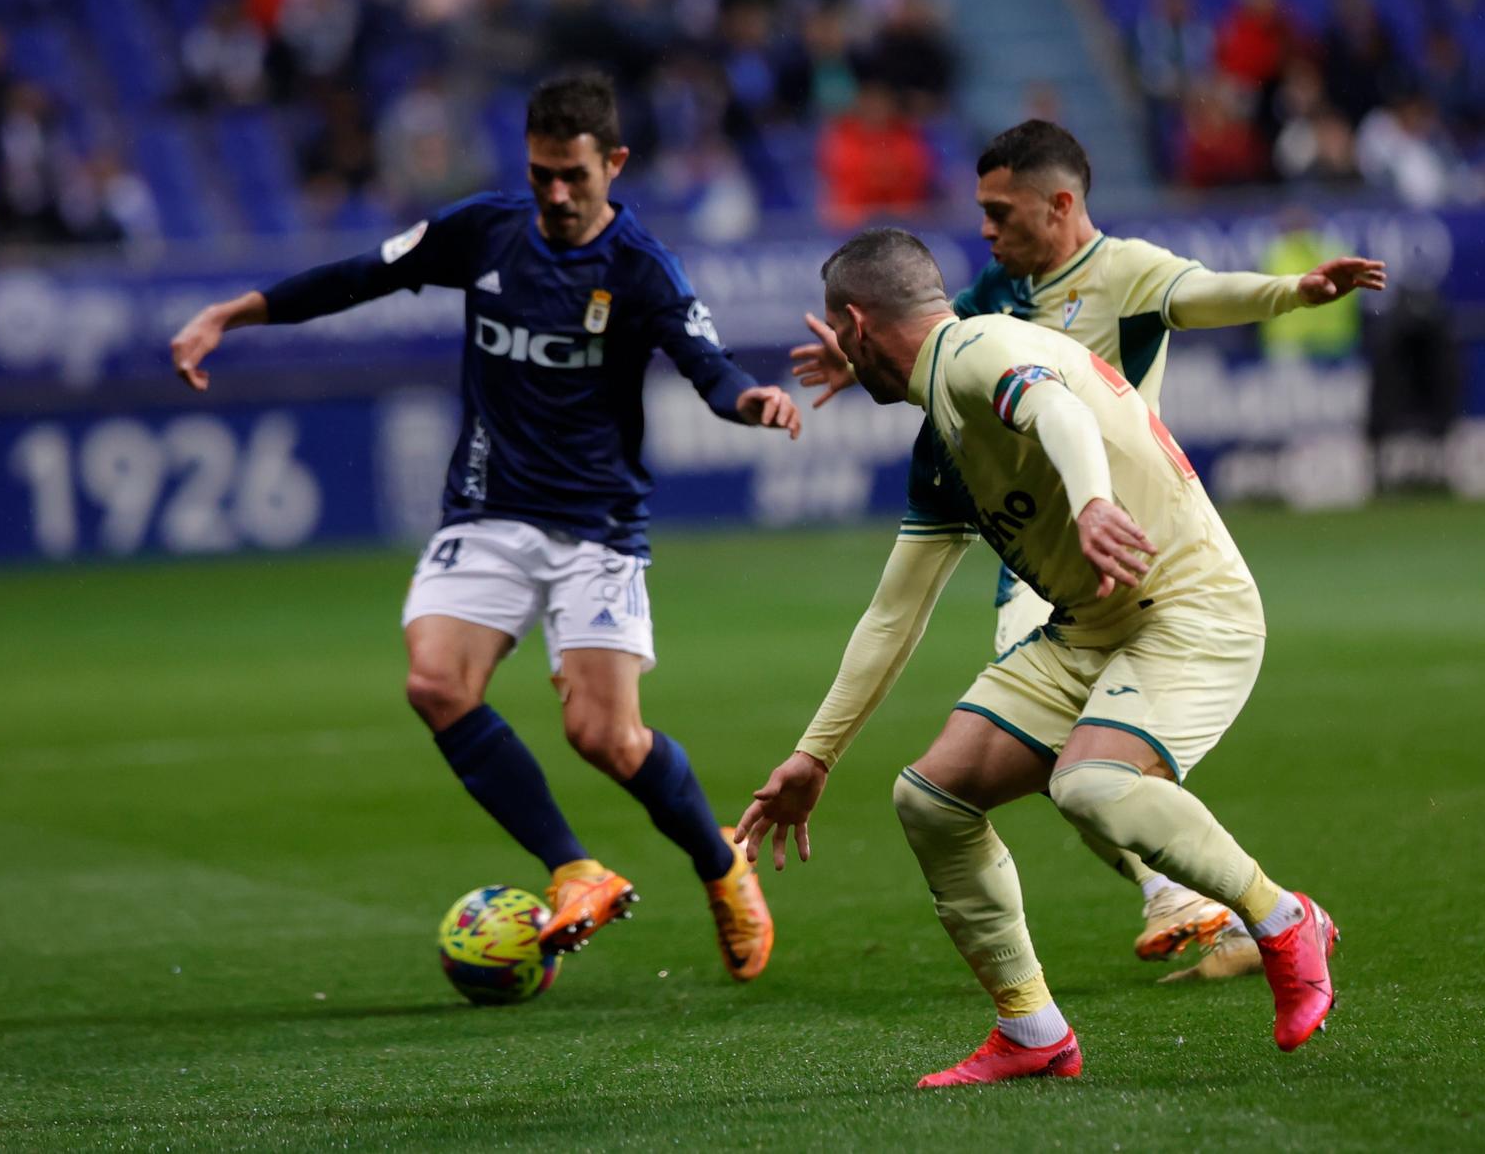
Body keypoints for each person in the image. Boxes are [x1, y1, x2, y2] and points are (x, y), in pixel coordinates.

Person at [168, 73, 796, 980]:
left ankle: (719, 862)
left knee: (605, 738)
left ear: (613, 164)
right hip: (489, 509)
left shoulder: (641, 269)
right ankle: (577, 868)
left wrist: (754, 401)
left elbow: (709, 366)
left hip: (597, 526)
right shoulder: (483, 230)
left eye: (573, 175)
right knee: (435, 685)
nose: (555, 193)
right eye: (541, 173)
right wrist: (237, 312)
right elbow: (359, 277)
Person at [736, 228, 1340, 1087]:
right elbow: (892, 616)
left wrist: (1092, 505)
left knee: (1091, 786)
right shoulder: (940, 431)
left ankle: (1284, 920)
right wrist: (815, 754)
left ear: (856, 326)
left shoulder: (978, 350)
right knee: (932, 799)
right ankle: (1032, 1029)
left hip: (1189, 610)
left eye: (836, 333)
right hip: (1093, 626)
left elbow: (1056, 409)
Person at [788, 120, 1382, 981]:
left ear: (1060, 204)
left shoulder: (1122, 270)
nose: (986, 232)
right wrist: (872, 356)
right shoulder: (997, 290)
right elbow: (931, 349)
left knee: (1083, 765)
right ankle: (1175, 904)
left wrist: (1291, 293)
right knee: (1018, 770)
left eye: (1001, 211)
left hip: (1124, 526)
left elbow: (1204, 296)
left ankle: (1207, 901)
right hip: (1045, 531)